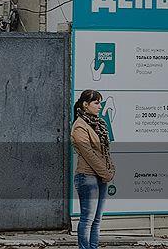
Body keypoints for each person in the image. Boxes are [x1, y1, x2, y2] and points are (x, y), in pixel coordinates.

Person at [72, 89, 115, 249]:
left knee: (97, 220)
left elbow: (104, 152)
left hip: (101, 176)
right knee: (87, 219)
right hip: (87, 176)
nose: (100, 106)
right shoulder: (79, 126)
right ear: (85, 104)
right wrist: (106, 173)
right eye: (96, 103)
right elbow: (89, 154)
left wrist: (111, 169)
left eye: (100, 103)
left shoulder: (98, 124)